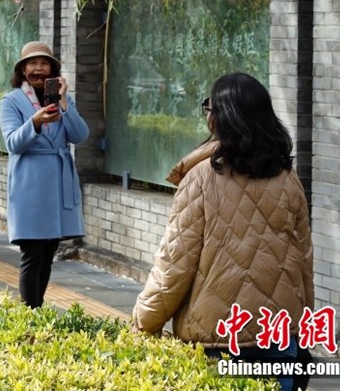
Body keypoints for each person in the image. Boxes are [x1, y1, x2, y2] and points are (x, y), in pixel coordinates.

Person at [132, 73, 314, 391]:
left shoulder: (200, 179)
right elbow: (304, 264)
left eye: (209, 108)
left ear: (220, 117)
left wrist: (144, 323)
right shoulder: (288, 179)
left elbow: (174, 264)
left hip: (217, 338)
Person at [0, 41, 90, 308]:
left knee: (49, 250)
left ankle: (37, 311)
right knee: (32, 252)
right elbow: (13, 143)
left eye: (44, 63)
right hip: (29, 184)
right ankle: (30, 313)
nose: (39, 68)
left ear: (53, 69)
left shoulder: (64, 100)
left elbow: (80, 135)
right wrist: (35, 122)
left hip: (58, 183)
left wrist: (63, 102)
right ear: (23, 70)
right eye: (33, 64)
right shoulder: (11, 101)